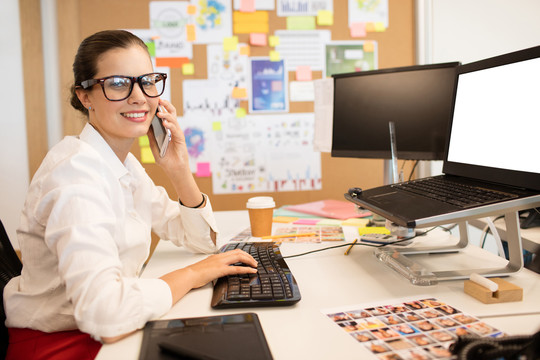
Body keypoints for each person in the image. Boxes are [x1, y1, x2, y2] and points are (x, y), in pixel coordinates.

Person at [3, 29, 258, 359]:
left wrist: (178, 169)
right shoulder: (74, 177)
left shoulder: (121, 164)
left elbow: (200, 240)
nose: (140, 96)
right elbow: (105, 315)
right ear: (85, 96)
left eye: (148, 81)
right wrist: (194, 274)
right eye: (119, 83)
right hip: (63, 344)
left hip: (106, 330)